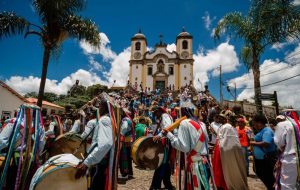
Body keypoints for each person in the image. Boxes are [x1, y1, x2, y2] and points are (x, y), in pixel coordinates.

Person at [158, 107, 214, 189]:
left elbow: (184, 147)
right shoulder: (202, 124)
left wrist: (169, 135)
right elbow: (207, 140)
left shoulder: (184, 123)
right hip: (205, 162)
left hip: (196, 165)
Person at [75, 99, 113, 190]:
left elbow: (105, 144)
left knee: (95, 182)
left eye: (99, 106)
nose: (98, 109)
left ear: (103, 107)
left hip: (99, 157)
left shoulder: (104, 120)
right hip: (102, 156)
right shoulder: (110, 119)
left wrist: (87, 162)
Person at [212, 113, 248, 190]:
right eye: (219, 117)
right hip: (220, 149)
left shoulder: (227, 127)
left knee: (223, 168)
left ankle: (224, 185)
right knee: (220, 169)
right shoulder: (225, 127)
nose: (219, 119)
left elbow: (225, 140)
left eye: (221, 118)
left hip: (222, 149)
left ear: (226, 119)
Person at [250, 114, 277, 190]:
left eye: (254, 122)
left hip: (266, 159)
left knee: (268, 177)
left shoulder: (267, 131)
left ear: (259, 122)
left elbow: (266, 143)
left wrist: (253, 143)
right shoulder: (261, 131)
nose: (253, 124)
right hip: (261, 159)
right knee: (259, 172)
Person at [274, 115, 299, 190]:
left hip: (289, 158)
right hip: (295, 156)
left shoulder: (282, 125)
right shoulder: (297, 123)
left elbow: (279, 142)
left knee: (286, 185)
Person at [119, 111, 134, 179]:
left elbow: (124, 128)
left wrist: (121, 135)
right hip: (128, 140)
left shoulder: (125, 120)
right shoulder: (128, 119)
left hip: (125, 141)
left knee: (124, 157)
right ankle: (130, 172)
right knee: (128, 157)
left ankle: (125, 172)